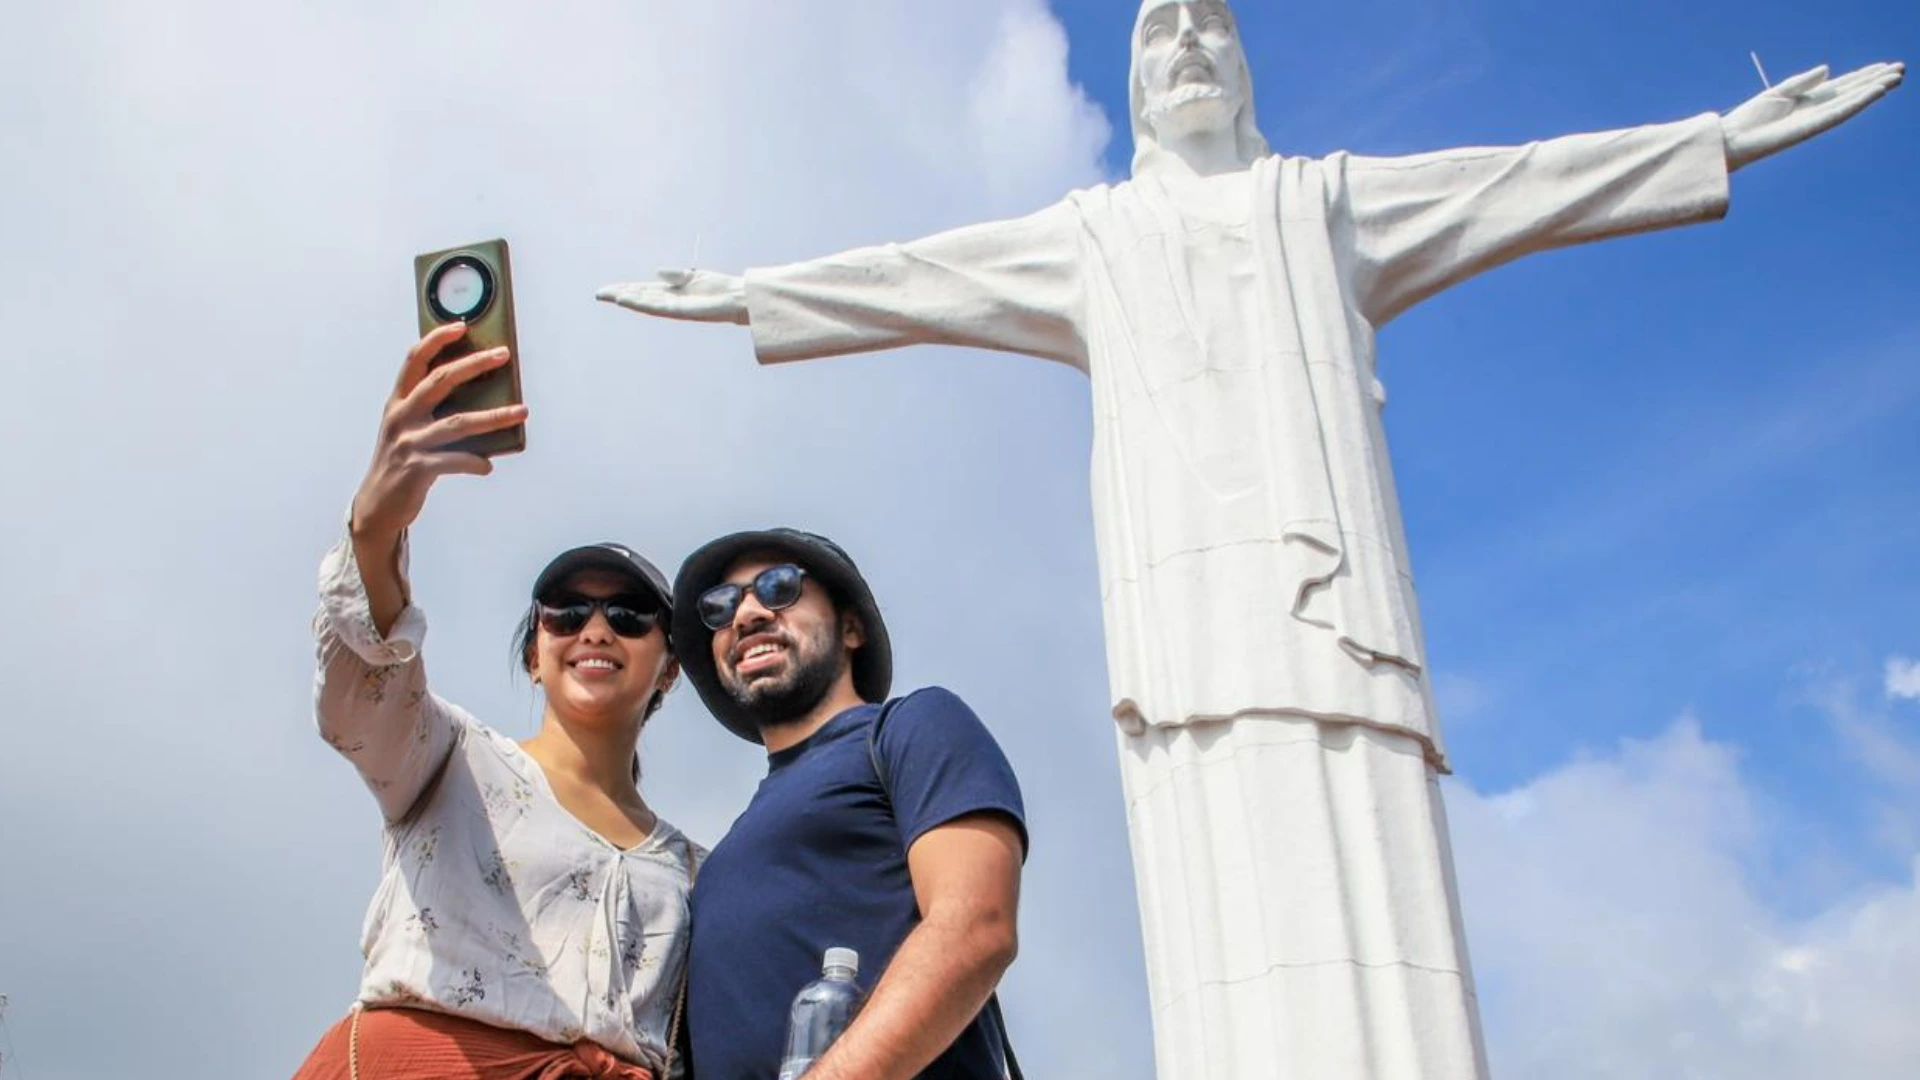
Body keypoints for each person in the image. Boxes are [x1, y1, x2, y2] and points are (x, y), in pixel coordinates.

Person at [595, 3, 1902, 1076]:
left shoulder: (1323, 199)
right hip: (1180, 620)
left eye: (1211, 26)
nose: (1186, 47)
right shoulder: (1094, 235)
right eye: (1159, 30)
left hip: (1328, 589)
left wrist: (1712, 141)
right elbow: (912, 275)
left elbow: (1518, 185)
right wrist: (748, 296)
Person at [293, 323, 698, 1080]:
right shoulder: (450, 757)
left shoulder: (695, 871)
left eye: (630, 615)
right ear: (534, 656)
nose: (595, 629)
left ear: (670, 667)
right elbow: (360, 693)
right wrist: (377, 526)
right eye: (566, 612)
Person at [671, 529, 1026, 1080]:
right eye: (721, 607)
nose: (745, 616)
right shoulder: (715, 864)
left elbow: (975, 926)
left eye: (779, 587)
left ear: (852, 627)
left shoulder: (910, 727)